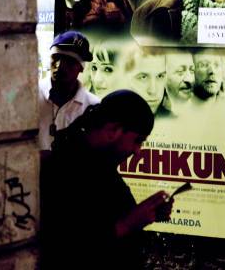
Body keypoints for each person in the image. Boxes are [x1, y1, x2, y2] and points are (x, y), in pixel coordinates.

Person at [40, 90, 173, 269]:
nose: (137, 151)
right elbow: (67, 247)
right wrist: (127, 224)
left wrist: (148, 212)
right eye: (137, 140)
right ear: (112, 130)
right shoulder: (67, 167)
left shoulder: (101, 164)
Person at [38, 31, 99, 151]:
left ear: (81, 68)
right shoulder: (29, 95)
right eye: (55, 58)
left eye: (70, 61)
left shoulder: (93, 106)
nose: (60, 66)